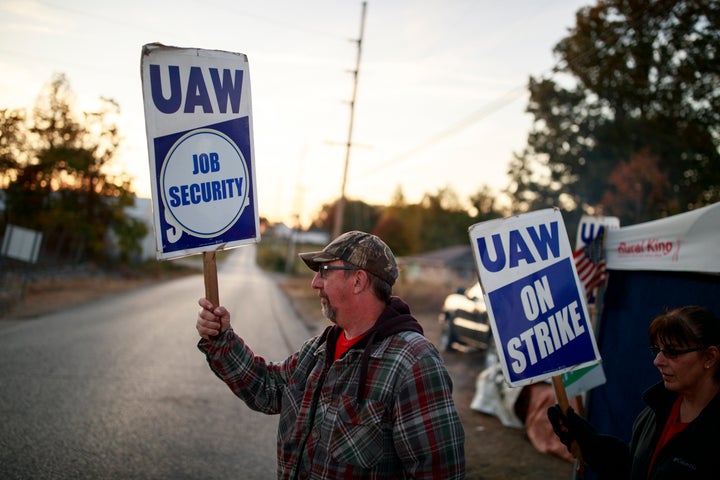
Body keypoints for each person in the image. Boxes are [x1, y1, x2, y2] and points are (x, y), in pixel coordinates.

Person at [196, 230, 466, 479]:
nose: (314, 282)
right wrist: (222, 339)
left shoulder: (413, 363)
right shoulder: (318, 350)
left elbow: (438, 472)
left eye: (324, 271)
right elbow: (265, 388)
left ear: (358, 280)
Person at [547, 305, 720, 479]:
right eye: (657, 350)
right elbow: (632, 465)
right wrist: (588, 442)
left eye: (672, 352)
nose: (657, 361)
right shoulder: (657, 409)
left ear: (709, 357)